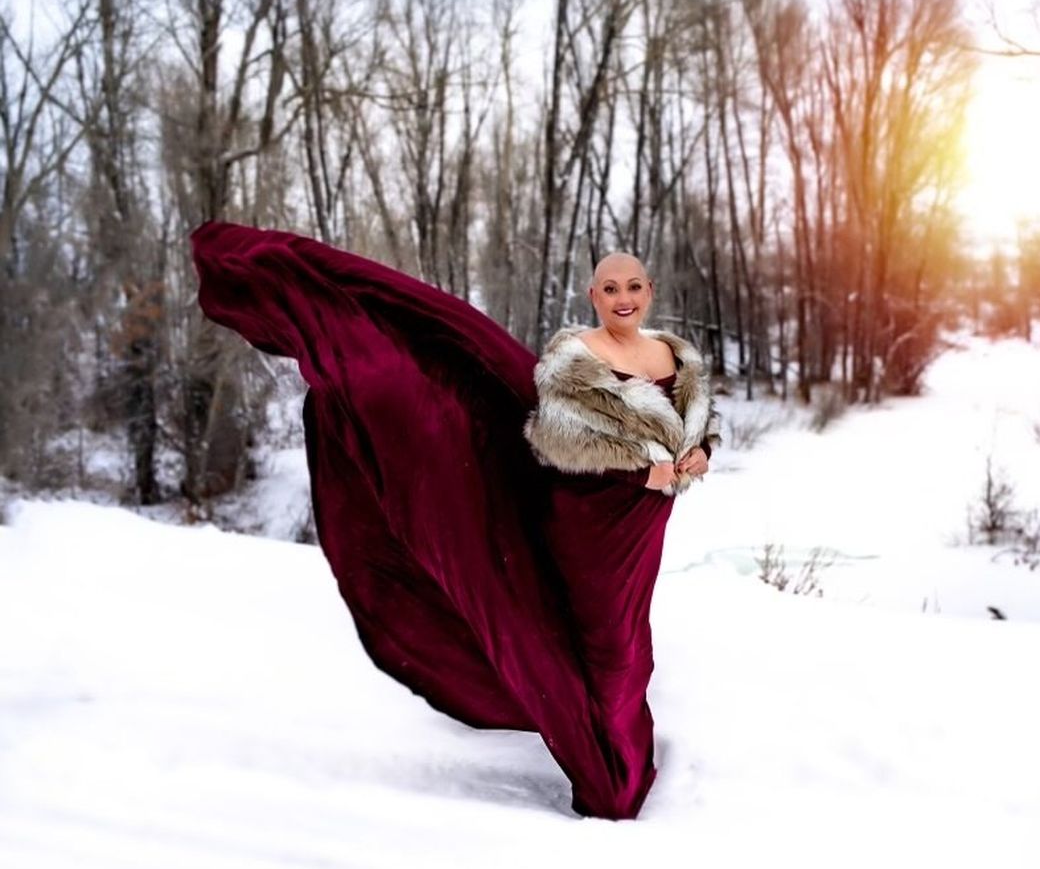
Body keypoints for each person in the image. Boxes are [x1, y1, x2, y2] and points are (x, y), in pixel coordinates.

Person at [189, 221, 720, 820]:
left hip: (641, 528)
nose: (623, 298)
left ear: (649, 291)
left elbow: (697, 423)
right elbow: (559, 445)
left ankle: (616, 760)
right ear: (593, 296)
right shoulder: (577, 360)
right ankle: (608, 776)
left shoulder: (676, 356)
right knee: (594, 649)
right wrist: (636, 474)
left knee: (625, 646)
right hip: (588, 525)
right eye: (610, 289)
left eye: (633, 287)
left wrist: (701, 452)